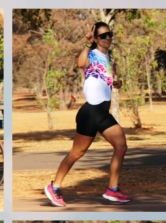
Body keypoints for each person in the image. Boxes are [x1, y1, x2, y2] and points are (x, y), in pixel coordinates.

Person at [44, 22, 130, 207]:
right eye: (103, 35)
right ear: (96, 38)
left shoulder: (108, 58)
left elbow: (111, 80)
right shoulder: (91, 54)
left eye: (109, 34)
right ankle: (54, 187)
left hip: (102, 112)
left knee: (121, 146)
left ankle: (112, 190)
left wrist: (117, 82)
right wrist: (87, 44)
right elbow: (80, 63)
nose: (108, 38)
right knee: (77, 153)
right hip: (90, 112)